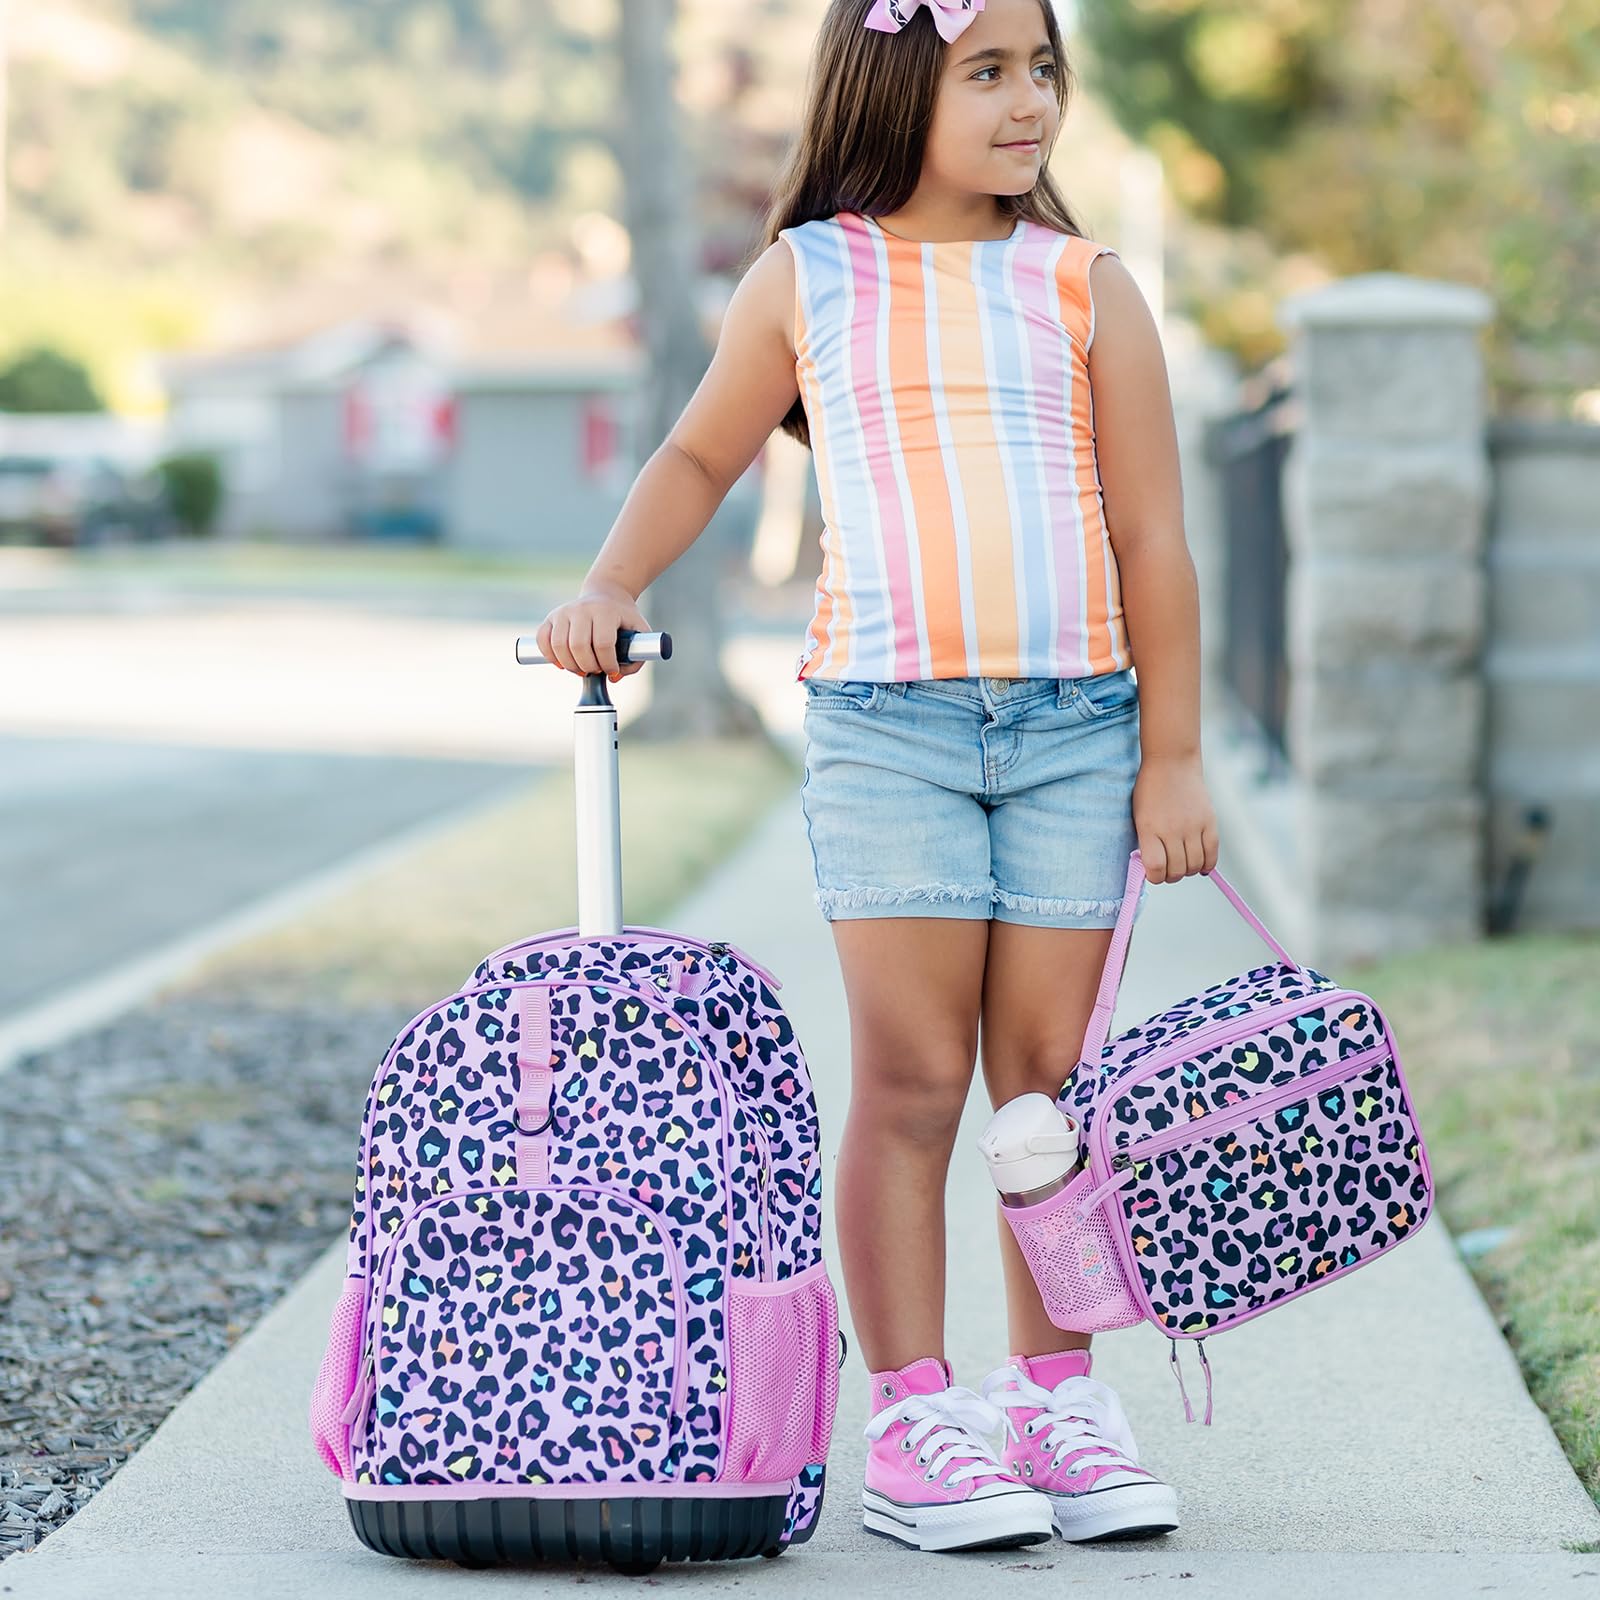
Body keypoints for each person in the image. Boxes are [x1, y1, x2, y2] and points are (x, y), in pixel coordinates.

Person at [534, 0, 1219, 1558]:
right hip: (888, 730)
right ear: (897, 83)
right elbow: (702, 453)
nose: (1029, 100)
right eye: (987, 71)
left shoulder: (1085, 284)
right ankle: (915, 1418)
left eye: (1043, 69)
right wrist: (610, 582)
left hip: (1075, 732)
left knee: (1049, 1099)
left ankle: (1053, 1397)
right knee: (911, 1085)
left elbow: (1155, 537)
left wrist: (1171, 752)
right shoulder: (812, 275)